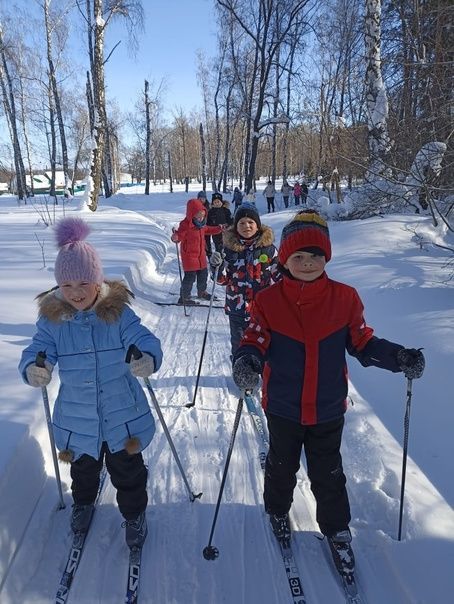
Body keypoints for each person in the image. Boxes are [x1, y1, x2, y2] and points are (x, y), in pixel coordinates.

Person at [231, 210, 425, 575]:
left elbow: (363, 341)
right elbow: (254, 338)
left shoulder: (345, 298)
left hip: (328, 407)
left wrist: (398, 357)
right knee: (281, 465)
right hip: (284, 406)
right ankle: (276, 510)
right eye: (298, 257)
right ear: (284, 259)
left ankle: (337, 531)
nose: (307, 263)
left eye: (315, 256)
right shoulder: (269, 301)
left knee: (329, 473)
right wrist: (248, 360)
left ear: (327, 258)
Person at [18, 217, 163, 549]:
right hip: (76, 415)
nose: (76, 293)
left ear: (97, 280)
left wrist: (147, 358)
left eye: (84, 283)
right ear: (58, 287)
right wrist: (33, 368)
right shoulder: (53, 321)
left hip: (122, 412)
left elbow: (144, 338)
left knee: (128, 472)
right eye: (67, 286)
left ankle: (134, 514)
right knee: (83, 469)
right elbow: (38, 349)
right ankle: (83, 503)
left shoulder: (118, 315)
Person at [209, 202, 280, 358]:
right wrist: (216, 266)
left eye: (250, 222)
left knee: (264, 343)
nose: (246, 226)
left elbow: (279, 276)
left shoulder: (268, 249)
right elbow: (221, 280)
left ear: (258, 226)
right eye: (241, 223)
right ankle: (241, 372)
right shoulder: (228, 249)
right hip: (237, 308)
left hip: (262, 309)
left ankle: (263, 371)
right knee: (239, 343)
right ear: (235, 226)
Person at [171, 197, 222, 305]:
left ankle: (201, 292)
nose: (200, 218)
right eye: (198, 216)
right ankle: (184, 297)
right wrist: (175, 237)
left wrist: (219, 228)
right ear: (191, 214)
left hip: (201, 256)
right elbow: (179, 235)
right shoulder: (185, 225)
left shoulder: (202, 225)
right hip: (189, 256)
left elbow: (209, 229)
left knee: (203, 275)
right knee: (190, 278)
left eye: (203, 216)